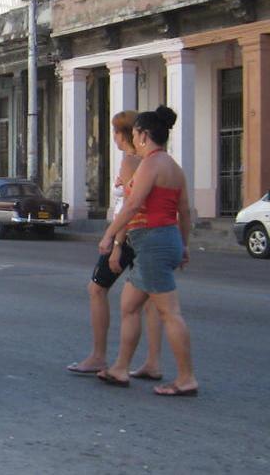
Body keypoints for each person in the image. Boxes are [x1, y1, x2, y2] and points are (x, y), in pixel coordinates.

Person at [97, 106, 198, 396]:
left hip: (153, 242)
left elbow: (132, 206)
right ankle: (120, 368)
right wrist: (183, 245)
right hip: (162, 241)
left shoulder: (151, 164)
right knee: (129, 305)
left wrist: (109, 235)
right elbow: (185, 212)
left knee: (170, 312)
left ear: (142, 134)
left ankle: (186, 378)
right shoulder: (173, 167)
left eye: (136, 134)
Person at [67, 111, 163, 379]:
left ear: (124, 134)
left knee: (97, 288)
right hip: (147, 233)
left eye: (116, 132)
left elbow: (129, 206)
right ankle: (153, 361)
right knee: (152, 300)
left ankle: (99, 355)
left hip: (128, 234)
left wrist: (116, 242)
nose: (115, 138)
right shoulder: (149, 161)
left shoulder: (130, 161)